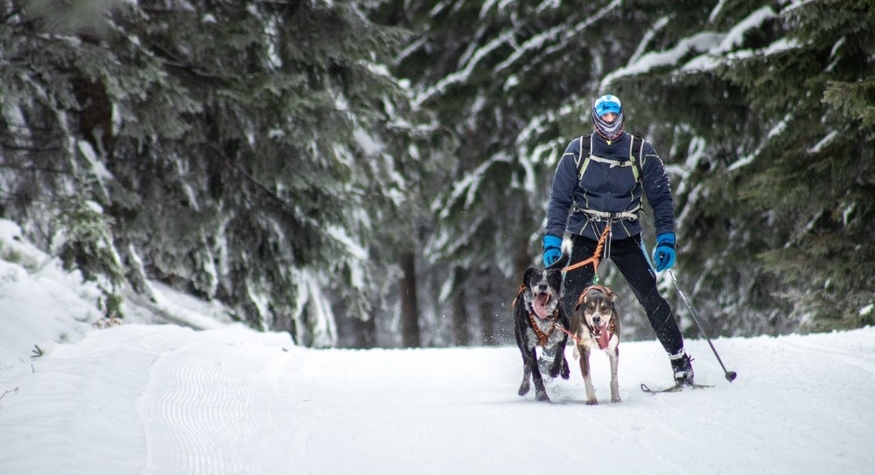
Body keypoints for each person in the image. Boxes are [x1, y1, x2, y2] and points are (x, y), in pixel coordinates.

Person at [542, 94, 694, 386]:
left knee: (650, 296)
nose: (610, 122)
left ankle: (680, 362)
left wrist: (666, 239)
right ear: (596, 118)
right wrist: (552, 240)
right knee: (569, 295)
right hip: (587, 234)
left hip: (626, 235)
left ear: (622, 116)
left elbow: (661, 198)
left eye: (615, 116)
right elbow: (559, 199)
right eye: (605, 116)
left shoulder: (641, 151)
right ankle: (550, 358)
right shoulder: (578, 150)